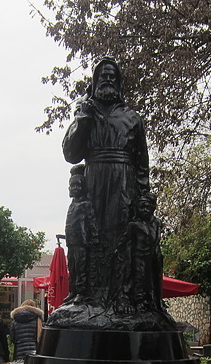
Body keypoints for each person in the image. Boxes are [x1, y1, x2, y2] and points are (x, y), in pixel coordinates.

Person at [61, 56, 151, 311]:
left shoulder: (132, 117)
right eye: (103, 77)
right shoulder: (85, 112)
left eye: (113, 77)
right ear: (95, 82)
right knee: (90, 239)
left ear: (119, 83)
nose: (108, 81)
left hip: (124, 183)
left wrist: (143, 195)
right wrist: (83, 120)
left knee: (120, 238)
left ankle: (122, 295)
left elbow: (142, 162)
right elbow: (70, 154)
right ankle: (87, 294)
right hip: (94, 180)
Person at [64, 164, 98, 305]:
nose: (75, 189)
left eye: (78, 186)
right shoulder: (72, 205)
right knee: (72, 267)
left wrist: (94, 238)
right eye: (72, 187)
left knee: (81, 267)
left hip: (82, 241)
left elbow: (92, 223)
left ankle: (82, 292)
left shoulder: (86, 204)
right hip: (71, 242)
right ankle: (72, 291)